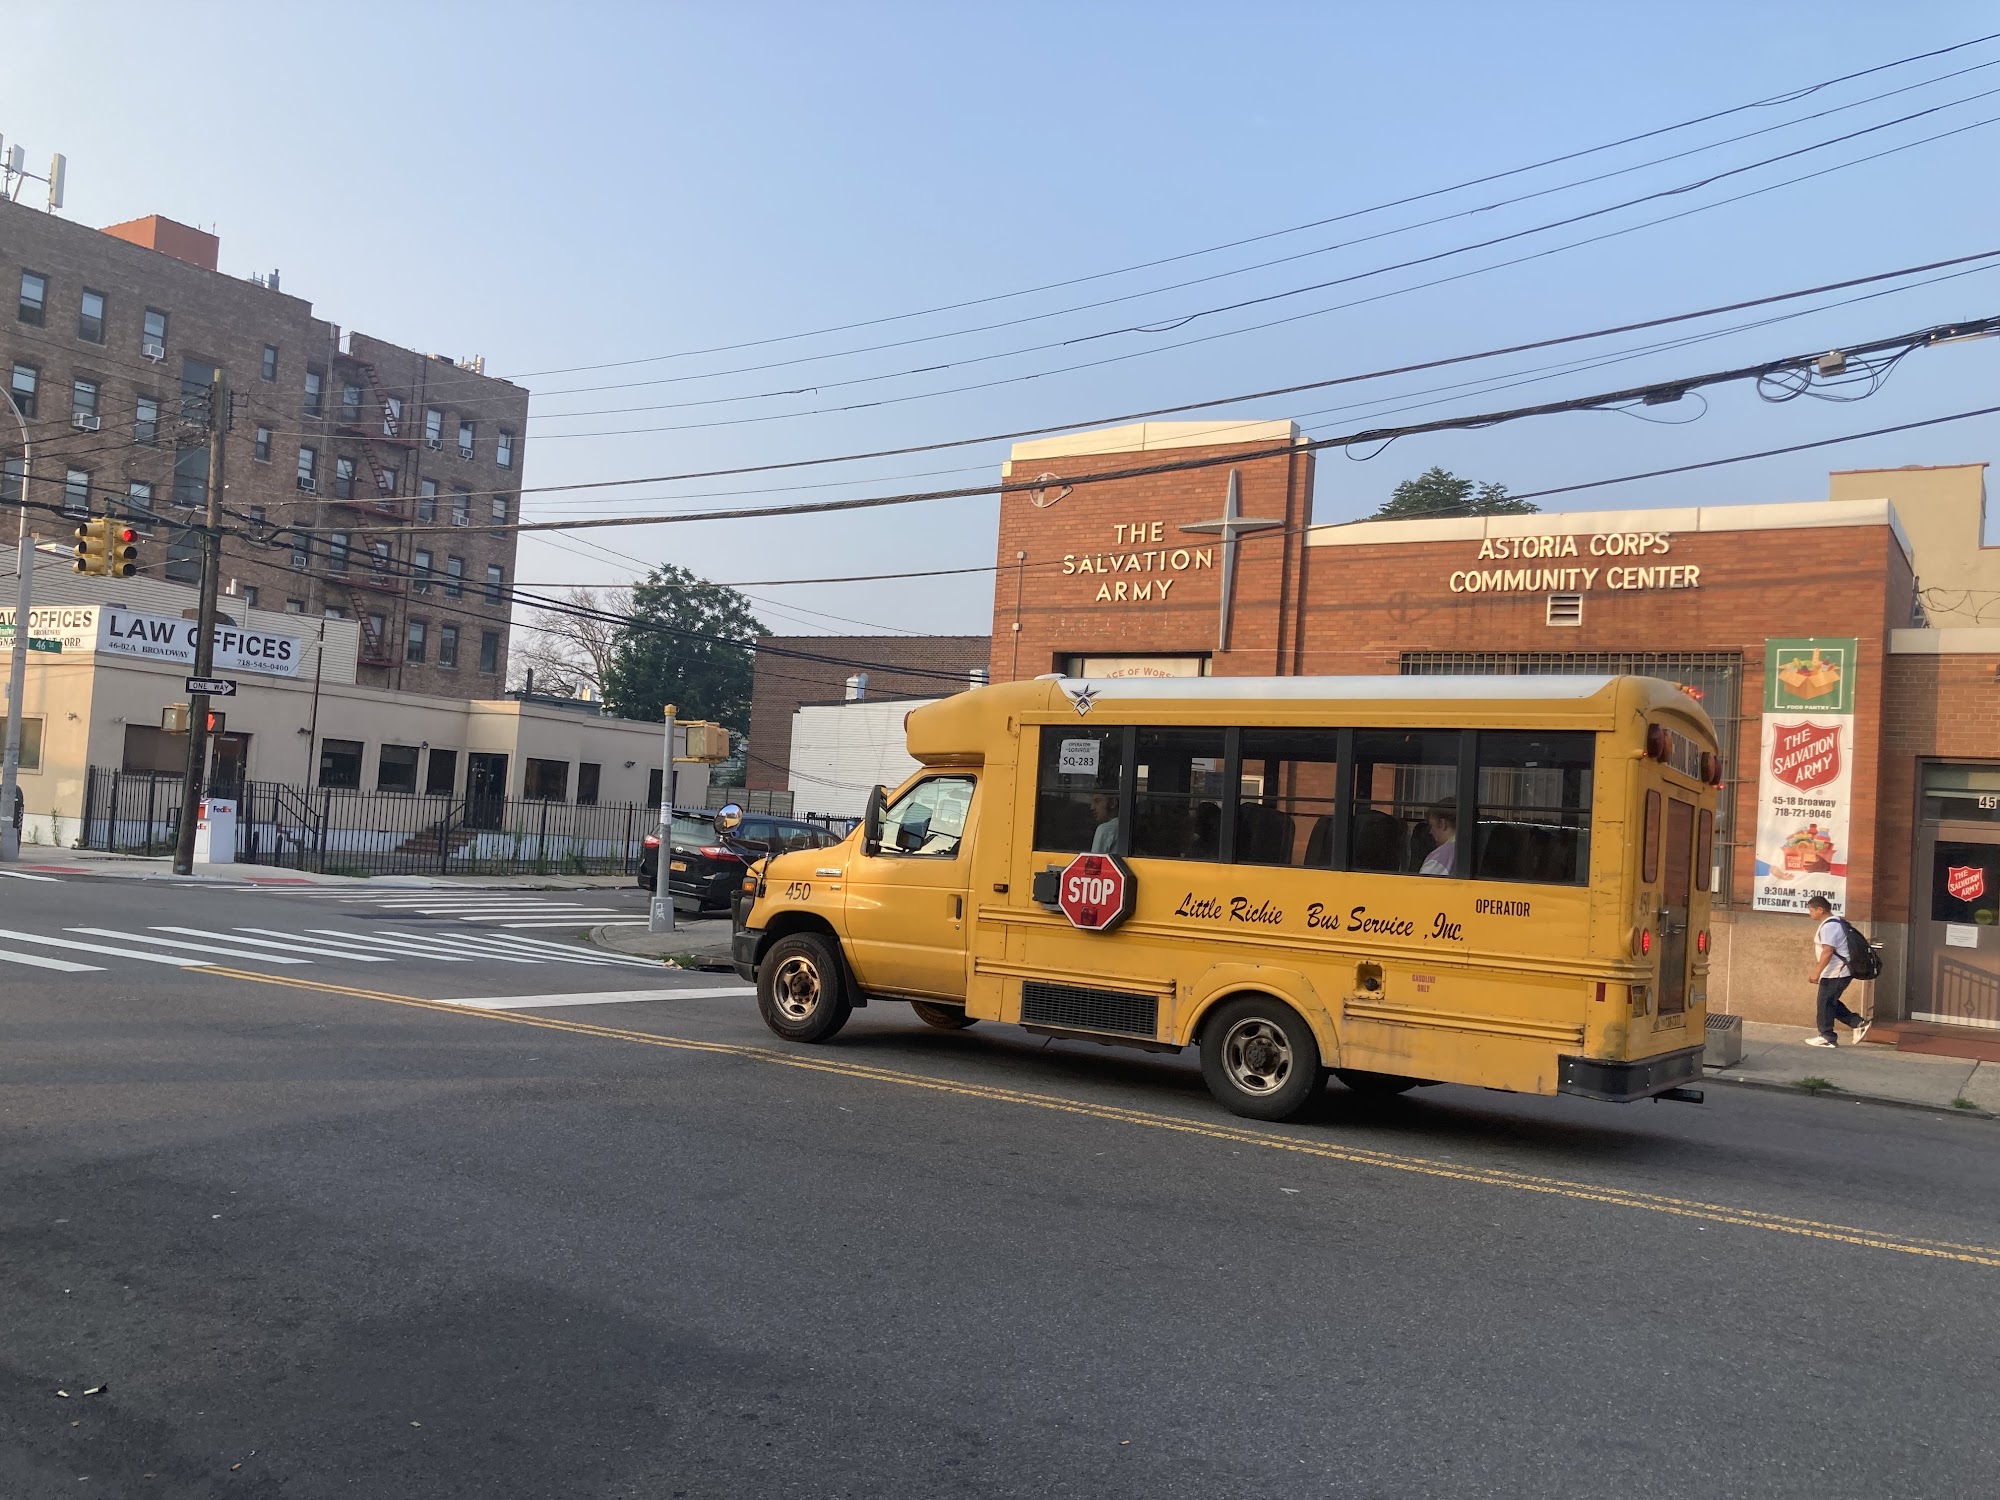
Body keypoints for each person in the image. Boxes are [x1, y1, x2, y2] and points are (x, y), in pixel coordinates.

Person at [1805, 894, 1870, 1048]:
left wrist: (1816, 972)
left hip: (1836, 972)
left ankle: (1827, 1036)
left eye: (1811, 910)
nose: (1810, 913)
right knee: (1829, 1002)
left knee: (1825, 1003)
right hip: (1837, 971)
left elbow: (1827, 951)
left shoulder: (1829, 926)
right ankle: (1857, 1023)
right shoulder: (1838, 922)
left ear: (1820, 910)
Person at [1419, 800, 1457, 876]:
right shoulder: (1469, 848)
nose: (1431, 832)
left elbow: (1423, 885)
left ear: (1442, 824)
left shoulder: (1440, 857)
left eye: (1432, 826)